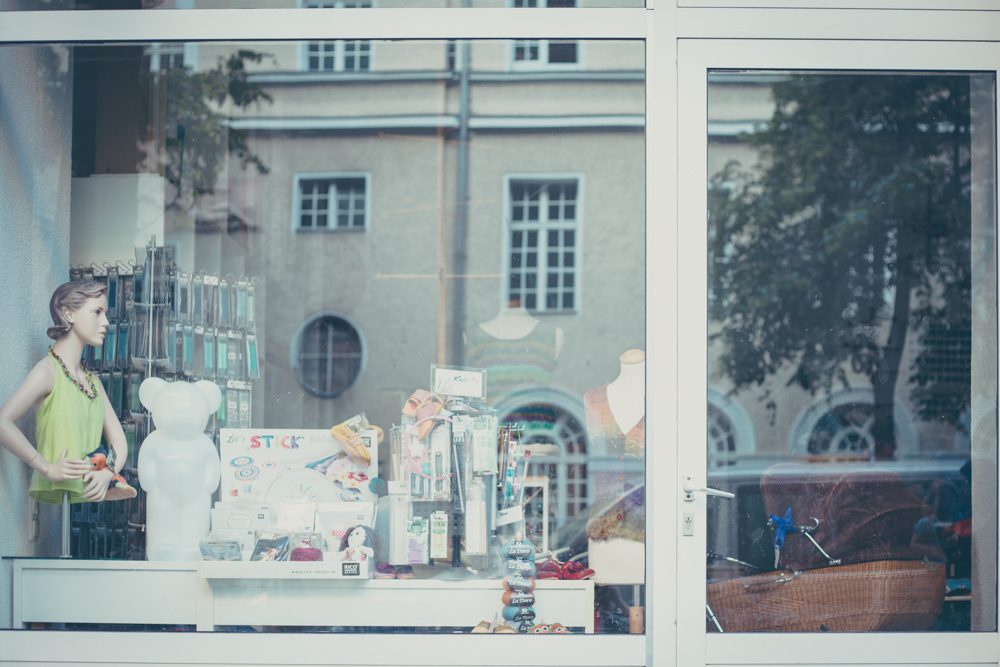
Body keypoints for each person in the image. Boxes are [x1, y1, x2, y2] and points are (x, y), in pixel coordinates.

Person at [0, 280, 135, 504]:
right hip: (57, 489)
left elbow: (119, 441)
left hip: (89, 490)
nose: (106, 322)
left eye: (105, 313)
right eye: (97, 312)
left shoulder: (93, 383)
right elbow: (3, 421)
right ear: (69, 314)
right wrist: (46, 467)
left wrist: (107, 472)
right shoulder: (47, 372)